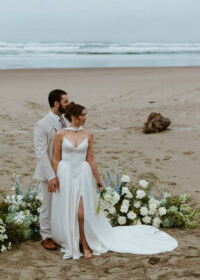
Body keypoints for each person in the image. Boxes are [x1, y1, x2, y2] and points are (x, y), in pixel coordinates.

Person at [51, 102, 178, 260]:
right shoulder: (60, 134)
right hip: (65, 174)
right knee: (70, 210)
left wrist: (99, 180)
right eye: (83, 115)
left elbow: (91, 160)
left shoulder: (88, 134)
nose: (85, 118)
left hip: (83, 174)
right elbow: (56, 159)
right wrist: (54, 178)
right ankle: (75, 240)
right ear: (74, 116)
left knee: (81, 213)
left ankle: (85, 244)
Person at [33, 89, 69, 250]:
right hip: (48, 173)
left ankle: (61, 233)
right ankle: (46, 236)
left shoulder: (65, 122)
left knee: (62, 204)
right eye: (65, 102)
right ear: (56, 103)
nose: (68, 104)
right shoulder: (42, 124)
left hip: (64, 170)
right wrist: (51, 176)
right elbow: (41, 153)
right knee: (47, 205)